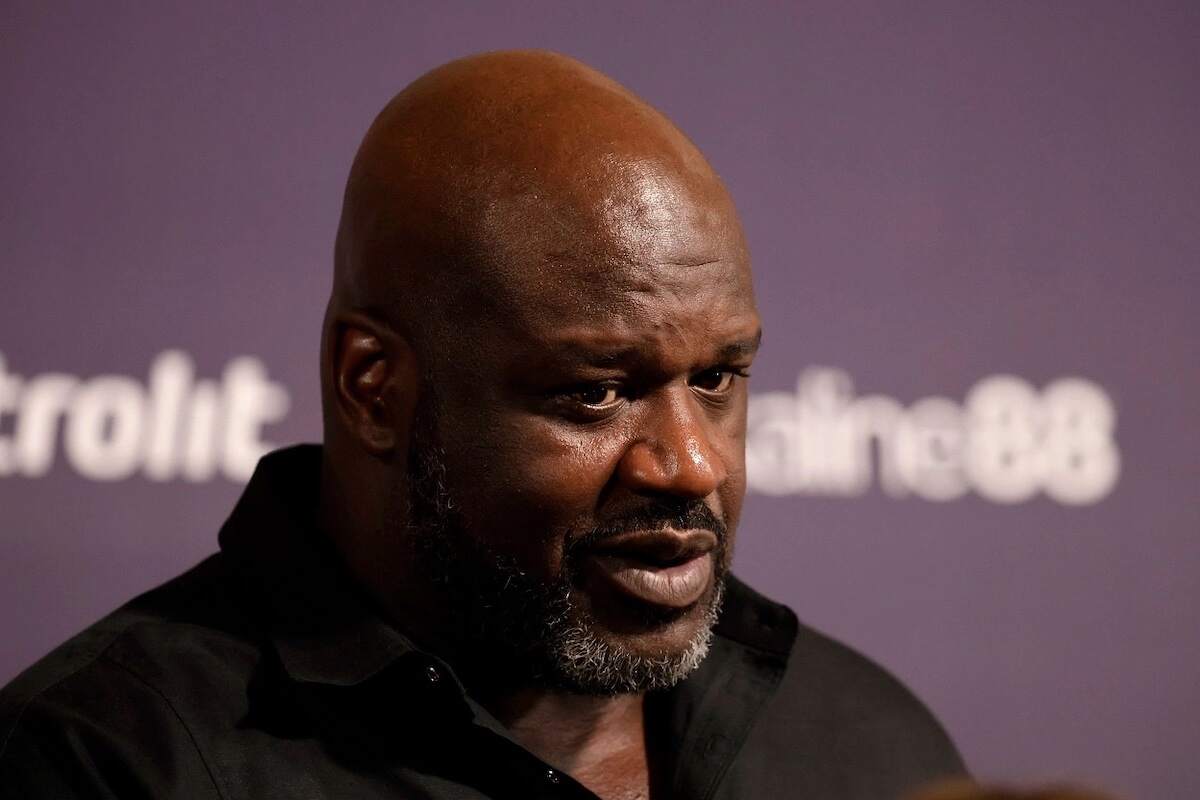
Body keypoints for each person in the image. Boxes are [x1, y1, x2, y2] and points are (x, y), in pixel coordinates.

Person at [0, 50, 965, 799]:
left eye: (717, 377)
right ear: (373, 387)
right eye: (594, 393)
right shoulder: (104, 764)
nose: (692, 463)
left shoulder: (871, 745)